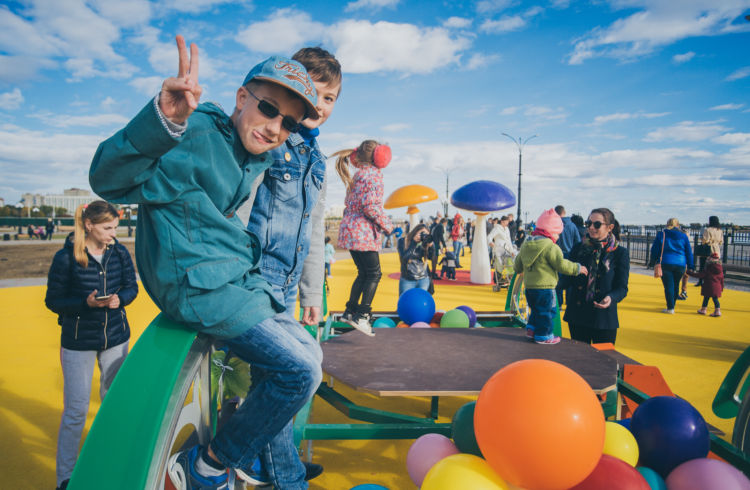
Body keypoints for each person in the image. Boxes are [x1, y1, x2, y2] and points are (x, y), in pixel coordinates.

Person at [90, 35, 324, 490]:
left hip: (230, 282)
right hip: (199, 286)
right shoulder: (197, 131)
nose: (276, 128)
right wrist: (165, 121)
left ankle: (263, 458)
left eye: (290, 124)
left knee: (309, 352)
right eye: (269, 109)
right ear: (242, 98)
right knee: (300, 370)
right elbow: (107, 178)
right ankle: (209, 464)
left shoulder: (248, 153)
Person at [243, 47, 341, 330]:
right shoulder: (270, 140)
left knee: (276, 369)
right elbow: (242, 206)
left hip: (289, 285)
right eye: (311, 90)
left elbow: (314, 229)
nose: (319, 104)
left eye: (329, 98)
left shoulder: (318, 161)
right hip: (257, 279)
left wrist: (311, 293)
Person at [45, 201, 138, 490]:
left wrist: (119, 299)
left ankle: (110, 461)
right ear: (89, 226)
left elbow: (131, 287)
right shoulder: (65, 258)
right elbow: (53, 301)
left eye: (115, 227)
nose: (114, 233)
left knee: (112, 404)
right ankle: (65, 477)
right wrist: (83, 304)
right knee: (76, 411)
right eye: (108, 228)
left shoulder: (119, 251)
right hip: (77, 341)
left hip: (115, 337)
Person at [335, 140, 393, 336]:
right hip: (363, 233)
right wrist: (387, 225)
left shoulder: (358, 175)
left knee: (363, 273)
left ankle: (349, 311)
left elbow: (351, 203)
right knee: (374, 274)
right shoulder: (374, 177)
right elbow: (371, 206)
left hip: (350, 230)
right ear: (380, 156)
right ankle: (362, 315)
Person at [513, 209, 587, 345]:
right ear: (550, 232)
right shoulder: (551, 247)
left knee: (535, 309)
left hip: (529, 287)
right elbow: (561, 265)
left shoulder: (526, 245)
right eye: (557, 234)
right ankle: (544, 335)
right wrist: (577, 268)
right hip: (545, 287)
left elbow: (517, 266)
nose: (558, 237)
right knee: (548, 312)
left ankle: (531, 330)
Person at [564, 208, 629, 345]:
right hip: (578, 315)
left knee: (604, 363)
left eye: (597, 224)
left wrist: (611, 298)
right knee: (579, 361)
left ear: (610, 227)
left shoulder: (620, 253)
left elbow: (622, 288)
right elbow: (566, 279)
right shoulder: (578, 249)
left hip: (604, 318)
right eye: (589, 223)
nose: (591, 228)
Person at [650, 217, 694, 314]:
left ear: (667, 224)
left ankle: (670, 308)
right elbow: (688, 252)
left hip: (666, 262)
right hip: (681, 264)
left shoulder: (662, 234)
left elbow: (655, 250)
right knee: (676, 284)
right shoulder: (683, 236)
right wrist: (691, 265)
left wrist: (652, 262)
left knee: (668, 286)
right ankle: (672, 306)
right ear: (678, 225)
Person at [554, 205, 582, 306]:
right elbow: (578, 241)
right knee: (570, 279)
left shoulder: (555, 225)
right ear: (564, 212)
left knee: (558, 281)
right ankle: (569, 302)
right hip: (570, 255)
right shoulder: (572, 225)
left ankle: (559, 304)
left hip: (557, 255)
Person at [397, 223, 433, 295]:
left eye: (426, 234)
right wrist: (414, 242)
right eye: (422, 233)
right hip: (407, 279)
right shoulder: (403, 241)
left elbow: (431, 257)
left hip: (423, 279)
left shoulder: (423, 244)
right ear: (415, 232)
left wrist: (430, 246)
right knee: (405, 302)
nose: (423, 236)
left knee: (421, 303)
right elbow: (405, 258)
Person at [687, 252, 724, 317]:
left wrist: (690, 273)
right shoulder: (720, 269)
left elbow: (701, 275)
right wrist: (721, 288)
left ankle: (705, 309)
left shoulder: (709, 267)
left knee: (707, 298)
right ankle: (715, 310)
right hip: (717, 286)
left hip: (709, 285)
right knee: (714, 298)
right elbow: (722, 279)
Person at [695, 216, 723, 287]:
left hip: (708, 249)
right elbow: (721, 242)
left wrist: (701, 239)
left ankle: (701, 281)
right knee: (713, 266)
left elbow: (705, 240)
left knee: (703, 266)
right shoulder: (719, 230)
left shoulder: (708, 230)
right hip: (716, 249)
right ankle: (712, 281)